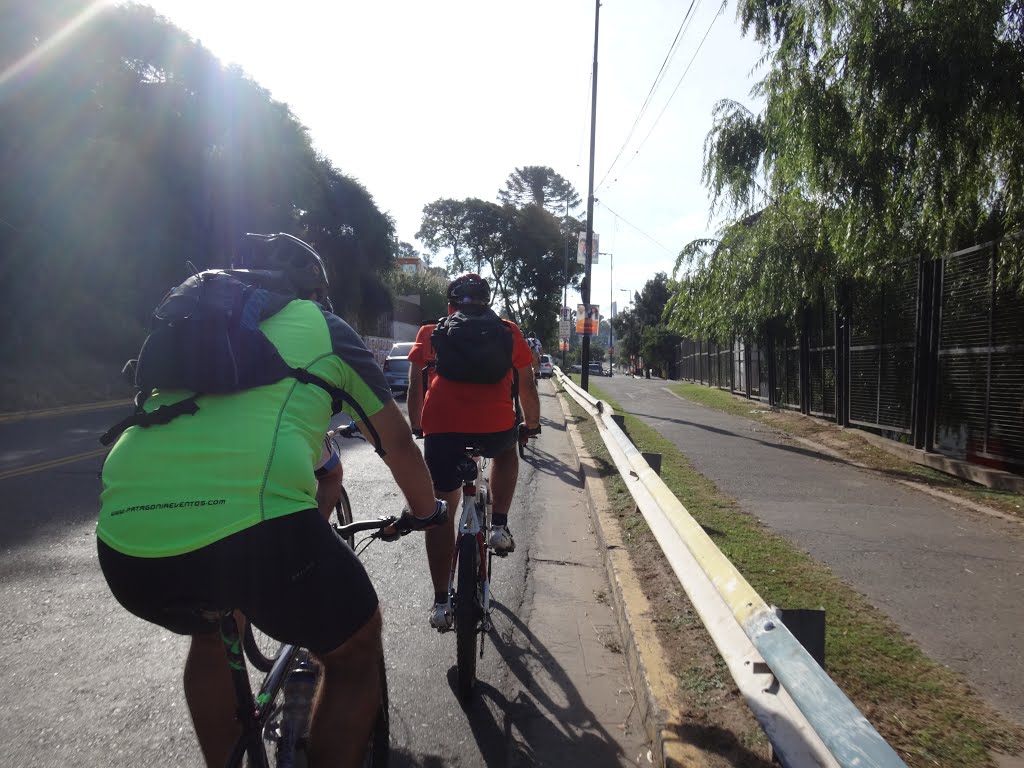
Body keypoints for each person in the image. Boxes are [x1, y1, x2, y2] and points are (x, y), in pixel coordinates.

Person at [96, 233, 446, 768]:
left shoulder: (196, 324)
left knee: (213, 635)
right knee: (355, 651)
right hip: (256, 533)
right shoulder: (321, 326)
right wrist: (427, 513)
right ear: (314, 290)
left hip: (125, 541)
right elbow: (397, 443)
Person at [407, 273, 541, 631]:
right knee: (507, 452)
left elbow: (415, 383)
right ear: (487, 301)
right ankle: (498, 525)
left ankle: (440, 604)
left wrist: (418, 425)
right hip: (495, 425)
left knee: (440, 512)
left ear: (450, 304)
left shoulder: (431, 331)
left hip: (442, 428)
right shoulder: (509, 331)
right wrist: (532, 424)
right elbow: (526, 385)